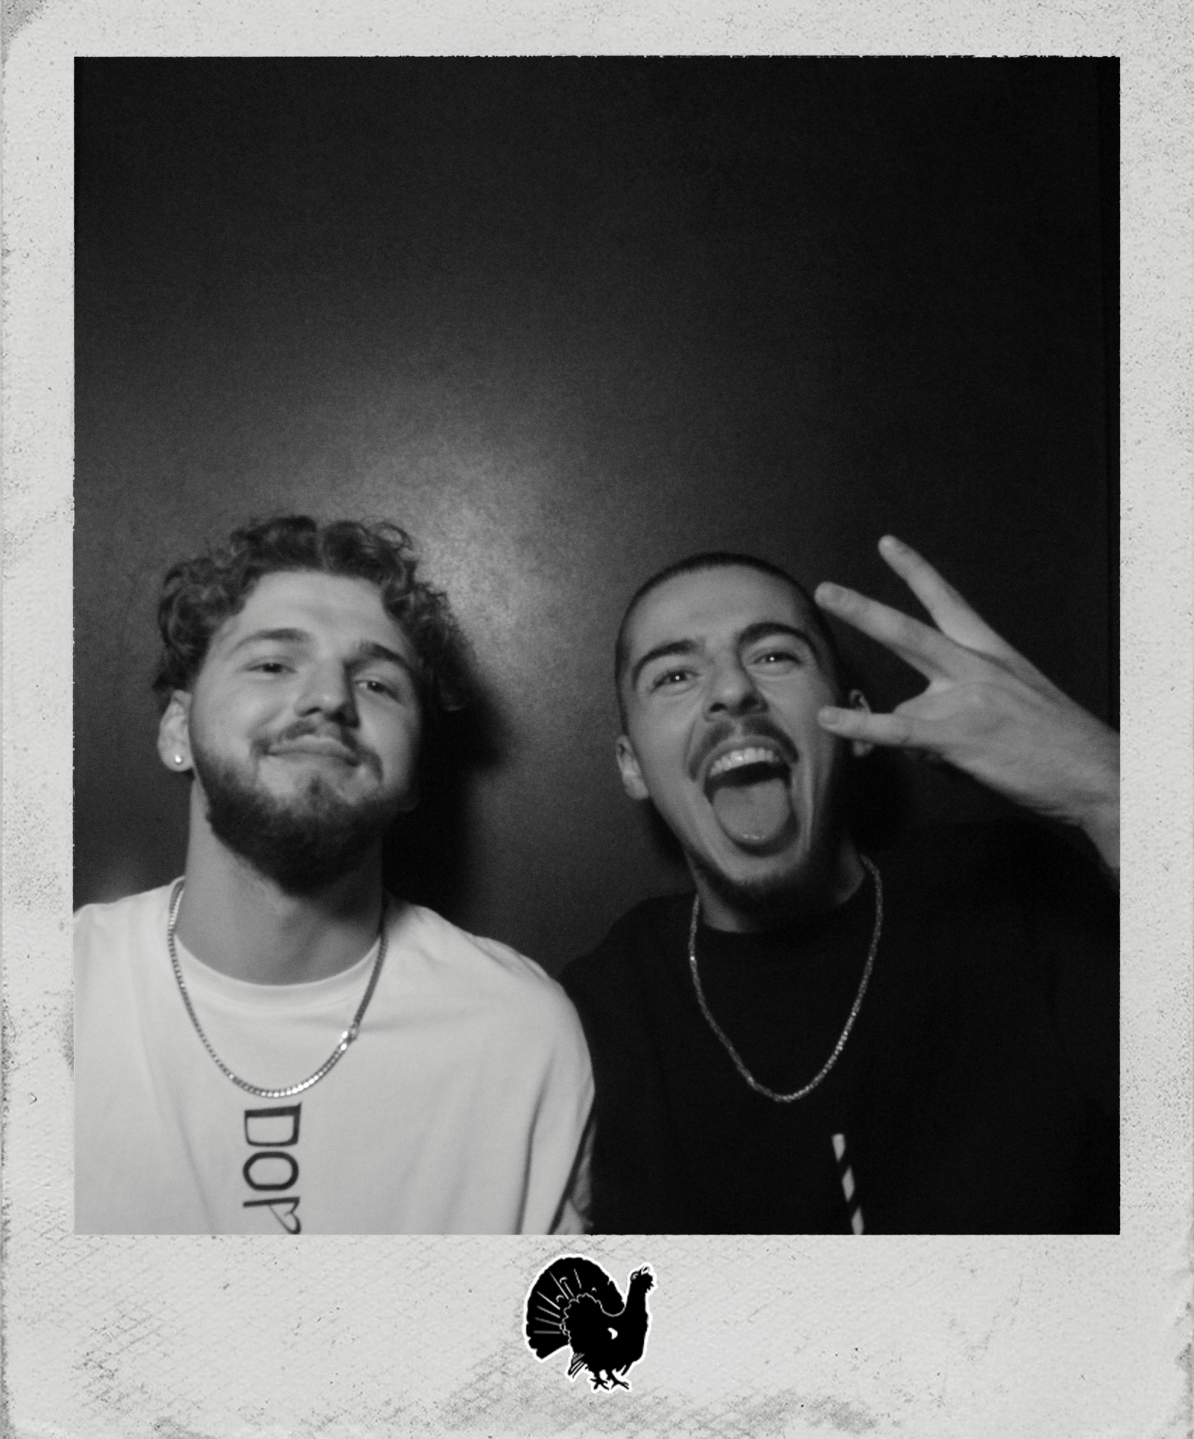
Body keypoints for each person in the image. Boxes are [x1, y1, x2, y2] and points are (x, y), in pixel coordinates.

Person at [561, 535, 1118, 1234]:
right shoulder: (595, 1015)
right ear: (633, 766)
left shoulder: (1017, 892)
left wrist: (1108, 788)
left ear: (858, 724)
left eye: (775, 656)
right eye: (674, 675)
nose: (732, 690)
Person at [75, 515, 592, 1235]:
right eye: (272, 664)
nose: (330, 698)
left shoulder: (522, 1038)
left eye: (377, 682)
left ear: (413, 771)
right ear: (176, 730)